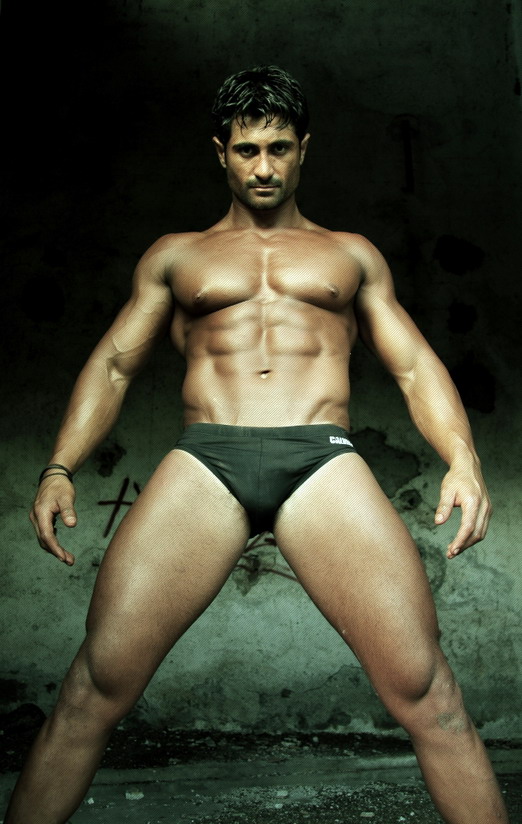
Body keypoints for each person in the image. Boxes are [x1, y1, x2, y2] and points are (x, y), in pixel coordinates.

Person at [5, 65, 508, 824]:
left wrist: (463, 459)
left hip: (321, 459)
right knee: (91, 689)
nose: (264, 168)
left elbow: (412, 365)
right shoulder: (176, 256)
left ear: (304, 148)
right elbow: (113, 365)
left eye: (279, 148)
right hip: (208, 459)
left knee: (429, 696)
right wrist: (59, 467)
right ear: (221, 152)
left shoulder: (351, 254)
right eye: (247, 151)